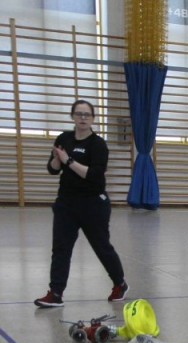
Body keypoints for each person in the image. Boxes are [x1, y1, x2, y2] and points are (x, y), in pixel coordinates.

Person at [34, 99, 127, 308]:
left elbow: (93, 176)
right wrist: (57, 160)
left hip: (93, 204)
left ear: (93, 118)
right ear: (73, 116)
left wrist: (68, 161)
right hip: (66, 203)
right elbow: (52, 169)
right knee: (61, 249)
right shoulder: (63, 139)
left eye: (87, 115)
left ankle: (120, 283)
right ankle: (55, 293)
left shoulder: (98, 144)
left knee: (101, 247)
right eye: (79, 114)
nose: (83, 118)